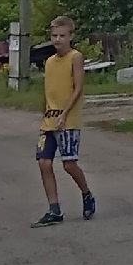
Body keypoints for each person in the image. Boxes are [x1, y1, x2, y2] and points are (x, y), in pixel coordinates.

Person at [32, 15, 96, 226]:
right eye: (54, 35)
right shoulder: (49, 61)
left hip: (67, 119)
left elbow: (78, 88)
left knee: (69, 164)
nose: (57, 39)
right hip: (49, 120)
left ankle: (86, 194)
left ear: (71, 36)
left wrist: (65, 113)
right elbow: (48, 89)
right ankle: (54, 209)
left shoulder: (75, 57)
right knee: (44, 162)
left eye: (62, 35)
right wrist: (44, 111)